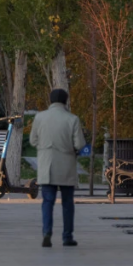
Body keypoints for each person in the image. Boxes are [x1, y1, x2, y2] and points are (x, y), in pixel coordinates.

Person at [29, 88, 86, 248]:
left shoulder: (40, 117)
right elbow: (79, 144)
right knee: (68, 203)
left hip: (47, 165)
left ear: (51, 100)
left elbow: (33, 141)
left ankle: (47, 232)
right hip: (66, 165)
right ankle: (67, 236)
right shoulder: (72, 119)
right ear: (66, 101)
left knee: (47, 201)